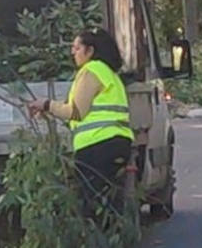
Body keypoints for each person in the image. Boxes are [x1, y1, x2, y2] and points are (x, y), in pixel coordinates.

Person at [28, 27, 134, 227]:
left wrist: (47, 105)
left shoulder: (91, 71)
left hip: (97, 146)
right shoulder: (110, 74)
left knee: (92, 207)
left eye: (77, 48)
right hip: (118, 142)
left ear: (90, 51)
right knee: (110, 205)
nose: (72, 53)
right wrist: (52, 109)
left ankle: (98, 235)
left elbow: (76, 112)